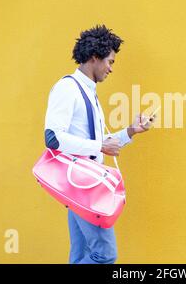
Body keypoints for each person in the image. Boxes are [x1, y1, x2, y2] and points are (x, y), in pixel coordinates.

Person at [44, 25, 155, 264]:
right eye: (110, 62)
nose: (111, 69)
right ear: (94, 58)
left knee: (82, 256)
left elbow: (99, 143)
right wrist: (99, 147)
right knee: (105, 255)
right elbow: (53, 138)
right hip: (84, 188)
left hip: (81, 185)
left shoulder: (89, 93)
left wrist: (130, 132)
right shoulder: (67, 88)